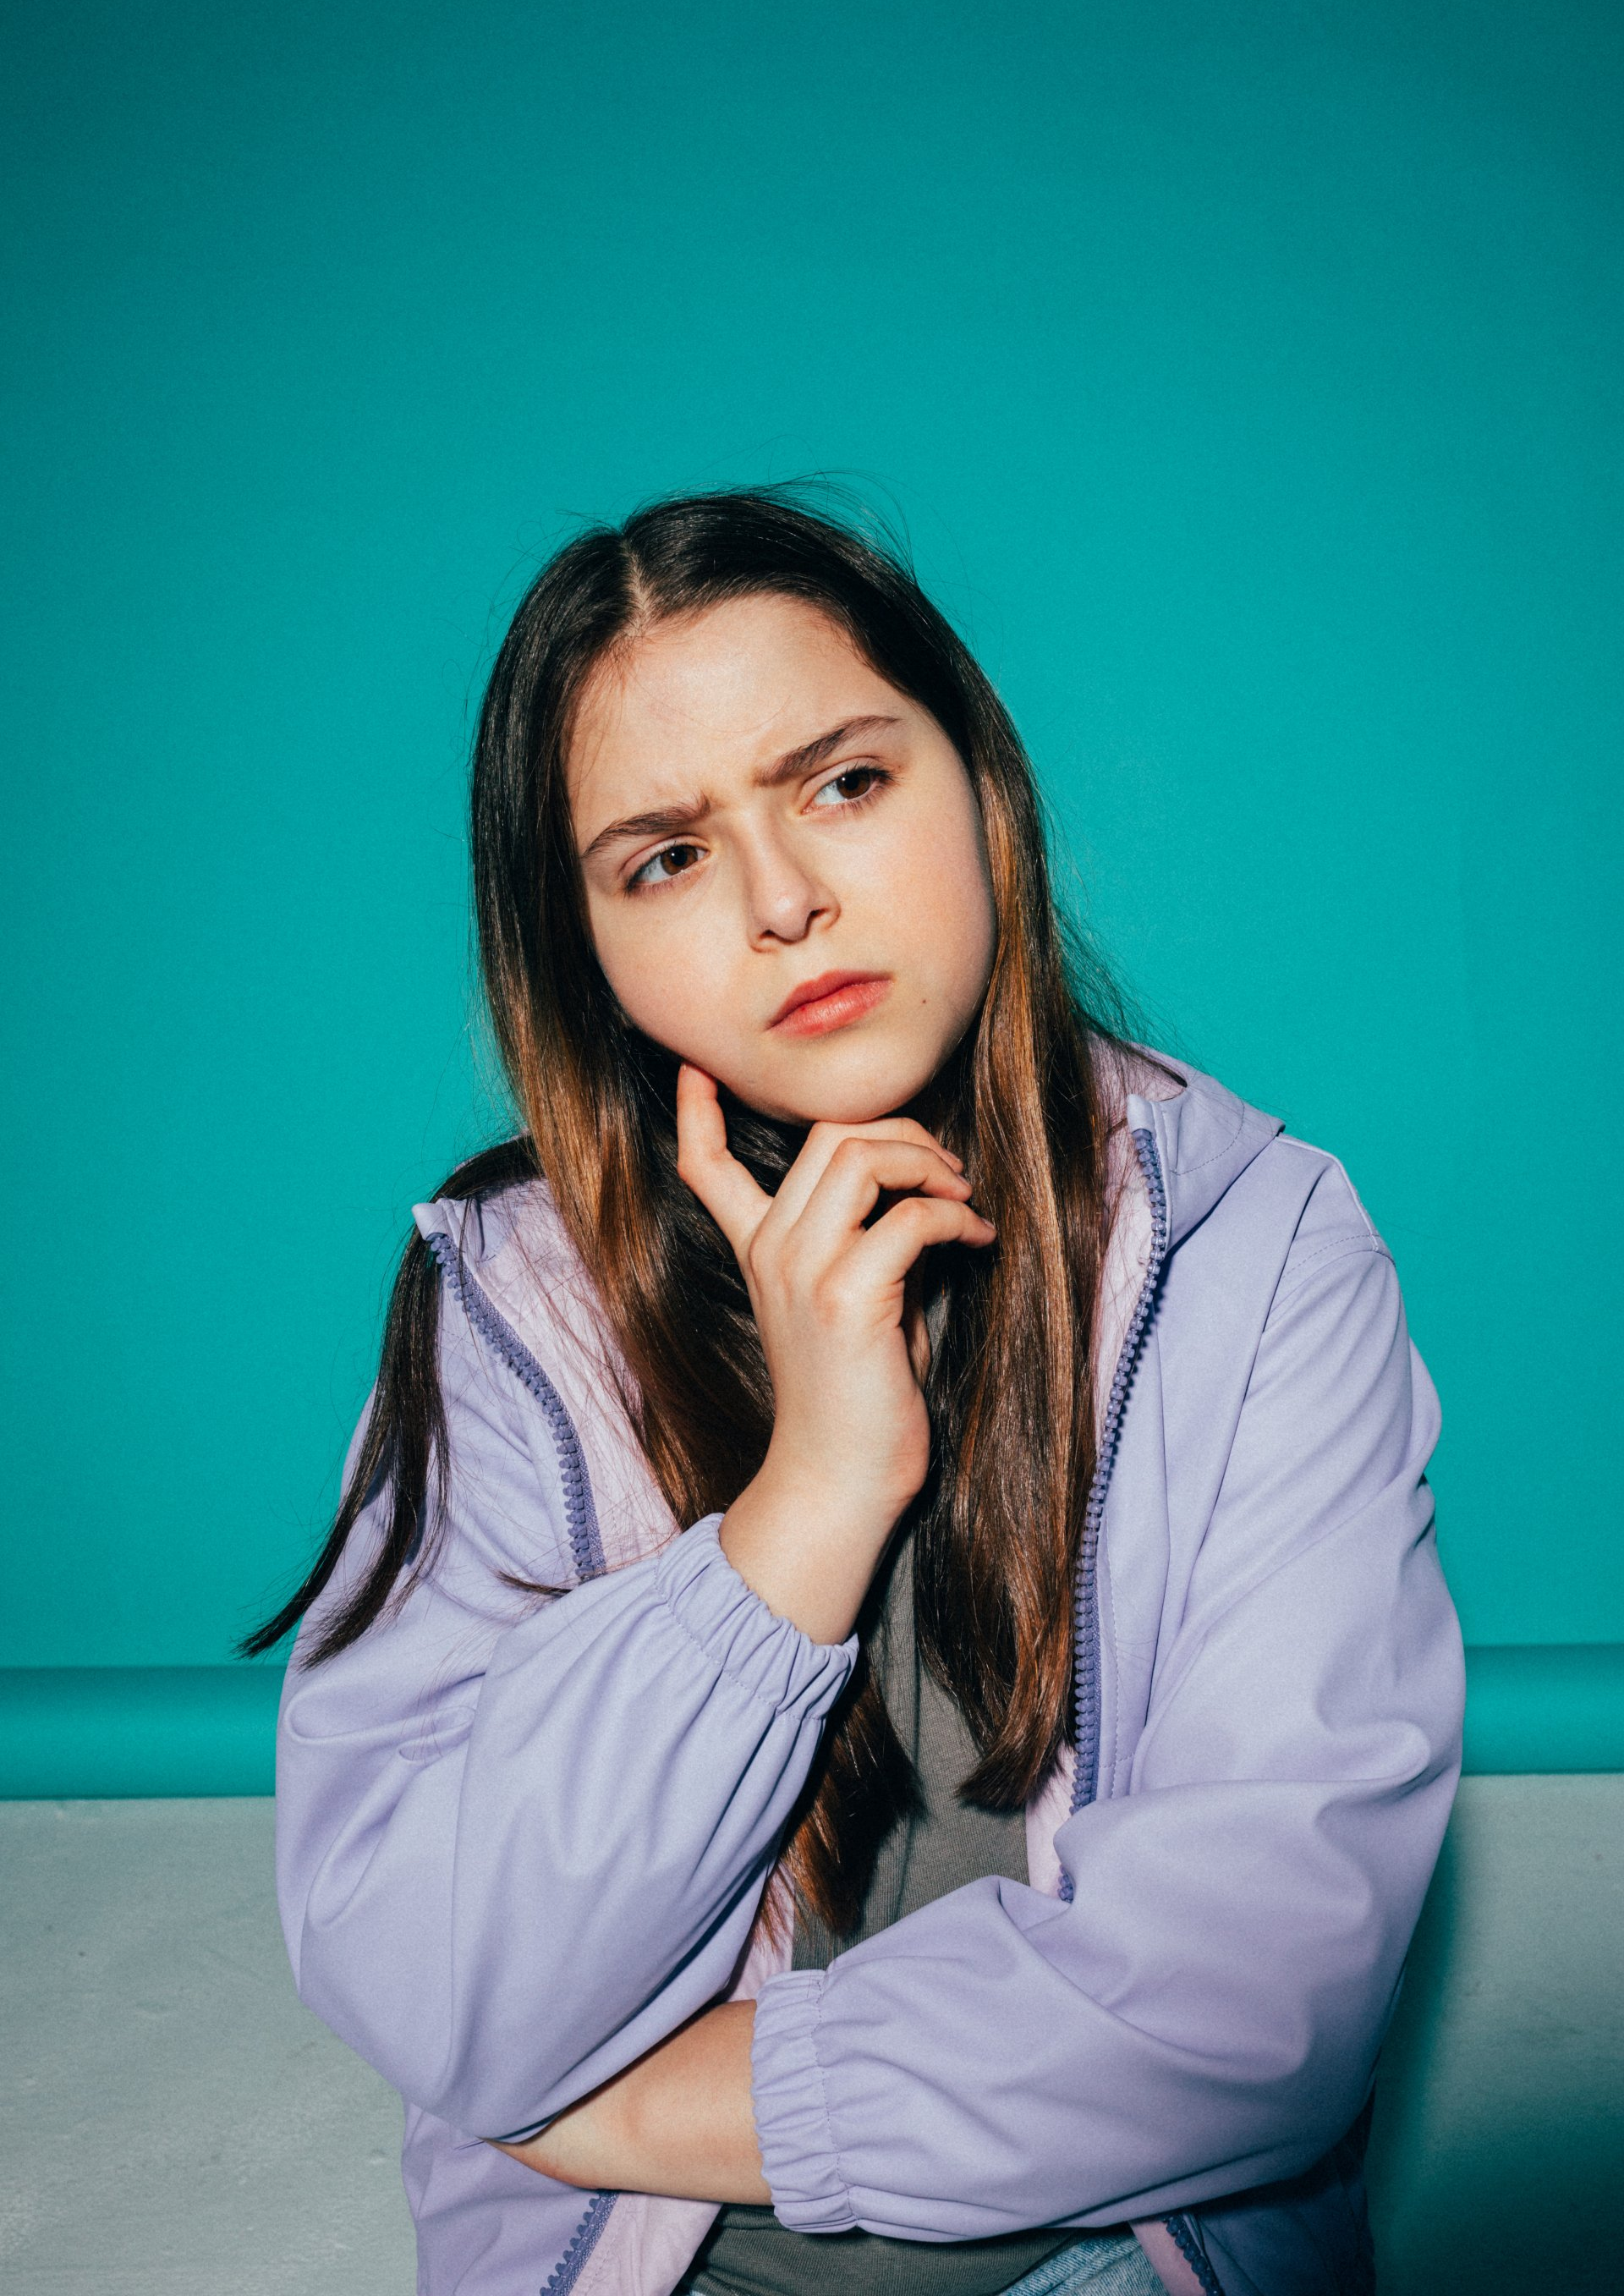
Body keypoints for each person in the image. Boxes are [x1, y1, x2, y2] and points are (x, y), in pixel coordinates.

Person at [251, 488, 1464, 2296]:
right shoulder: (508, 1307)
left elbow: (1257, 2002)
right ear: (583, 944)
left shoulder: (1259, 1250)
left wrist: (677, 2110)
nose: (783, 901)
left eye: (841, 781)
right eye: (663, 855)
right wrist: (803, 1508)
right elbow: (432, 1967)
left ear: (979, 778)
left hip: (1125, 2259)